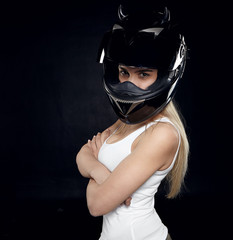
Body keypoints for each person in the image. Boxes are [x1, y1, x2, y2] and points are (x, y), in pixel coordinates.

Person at [76, 5, 189, 240]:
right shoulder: (126, 122)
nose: (130, 84)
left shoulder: (162, 133)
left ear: (165, 76)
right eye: (124, 73)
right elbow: (82, 155)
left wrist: (95, 170)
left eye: (144, 74)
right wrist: (102, 173)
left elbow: (96, 205)